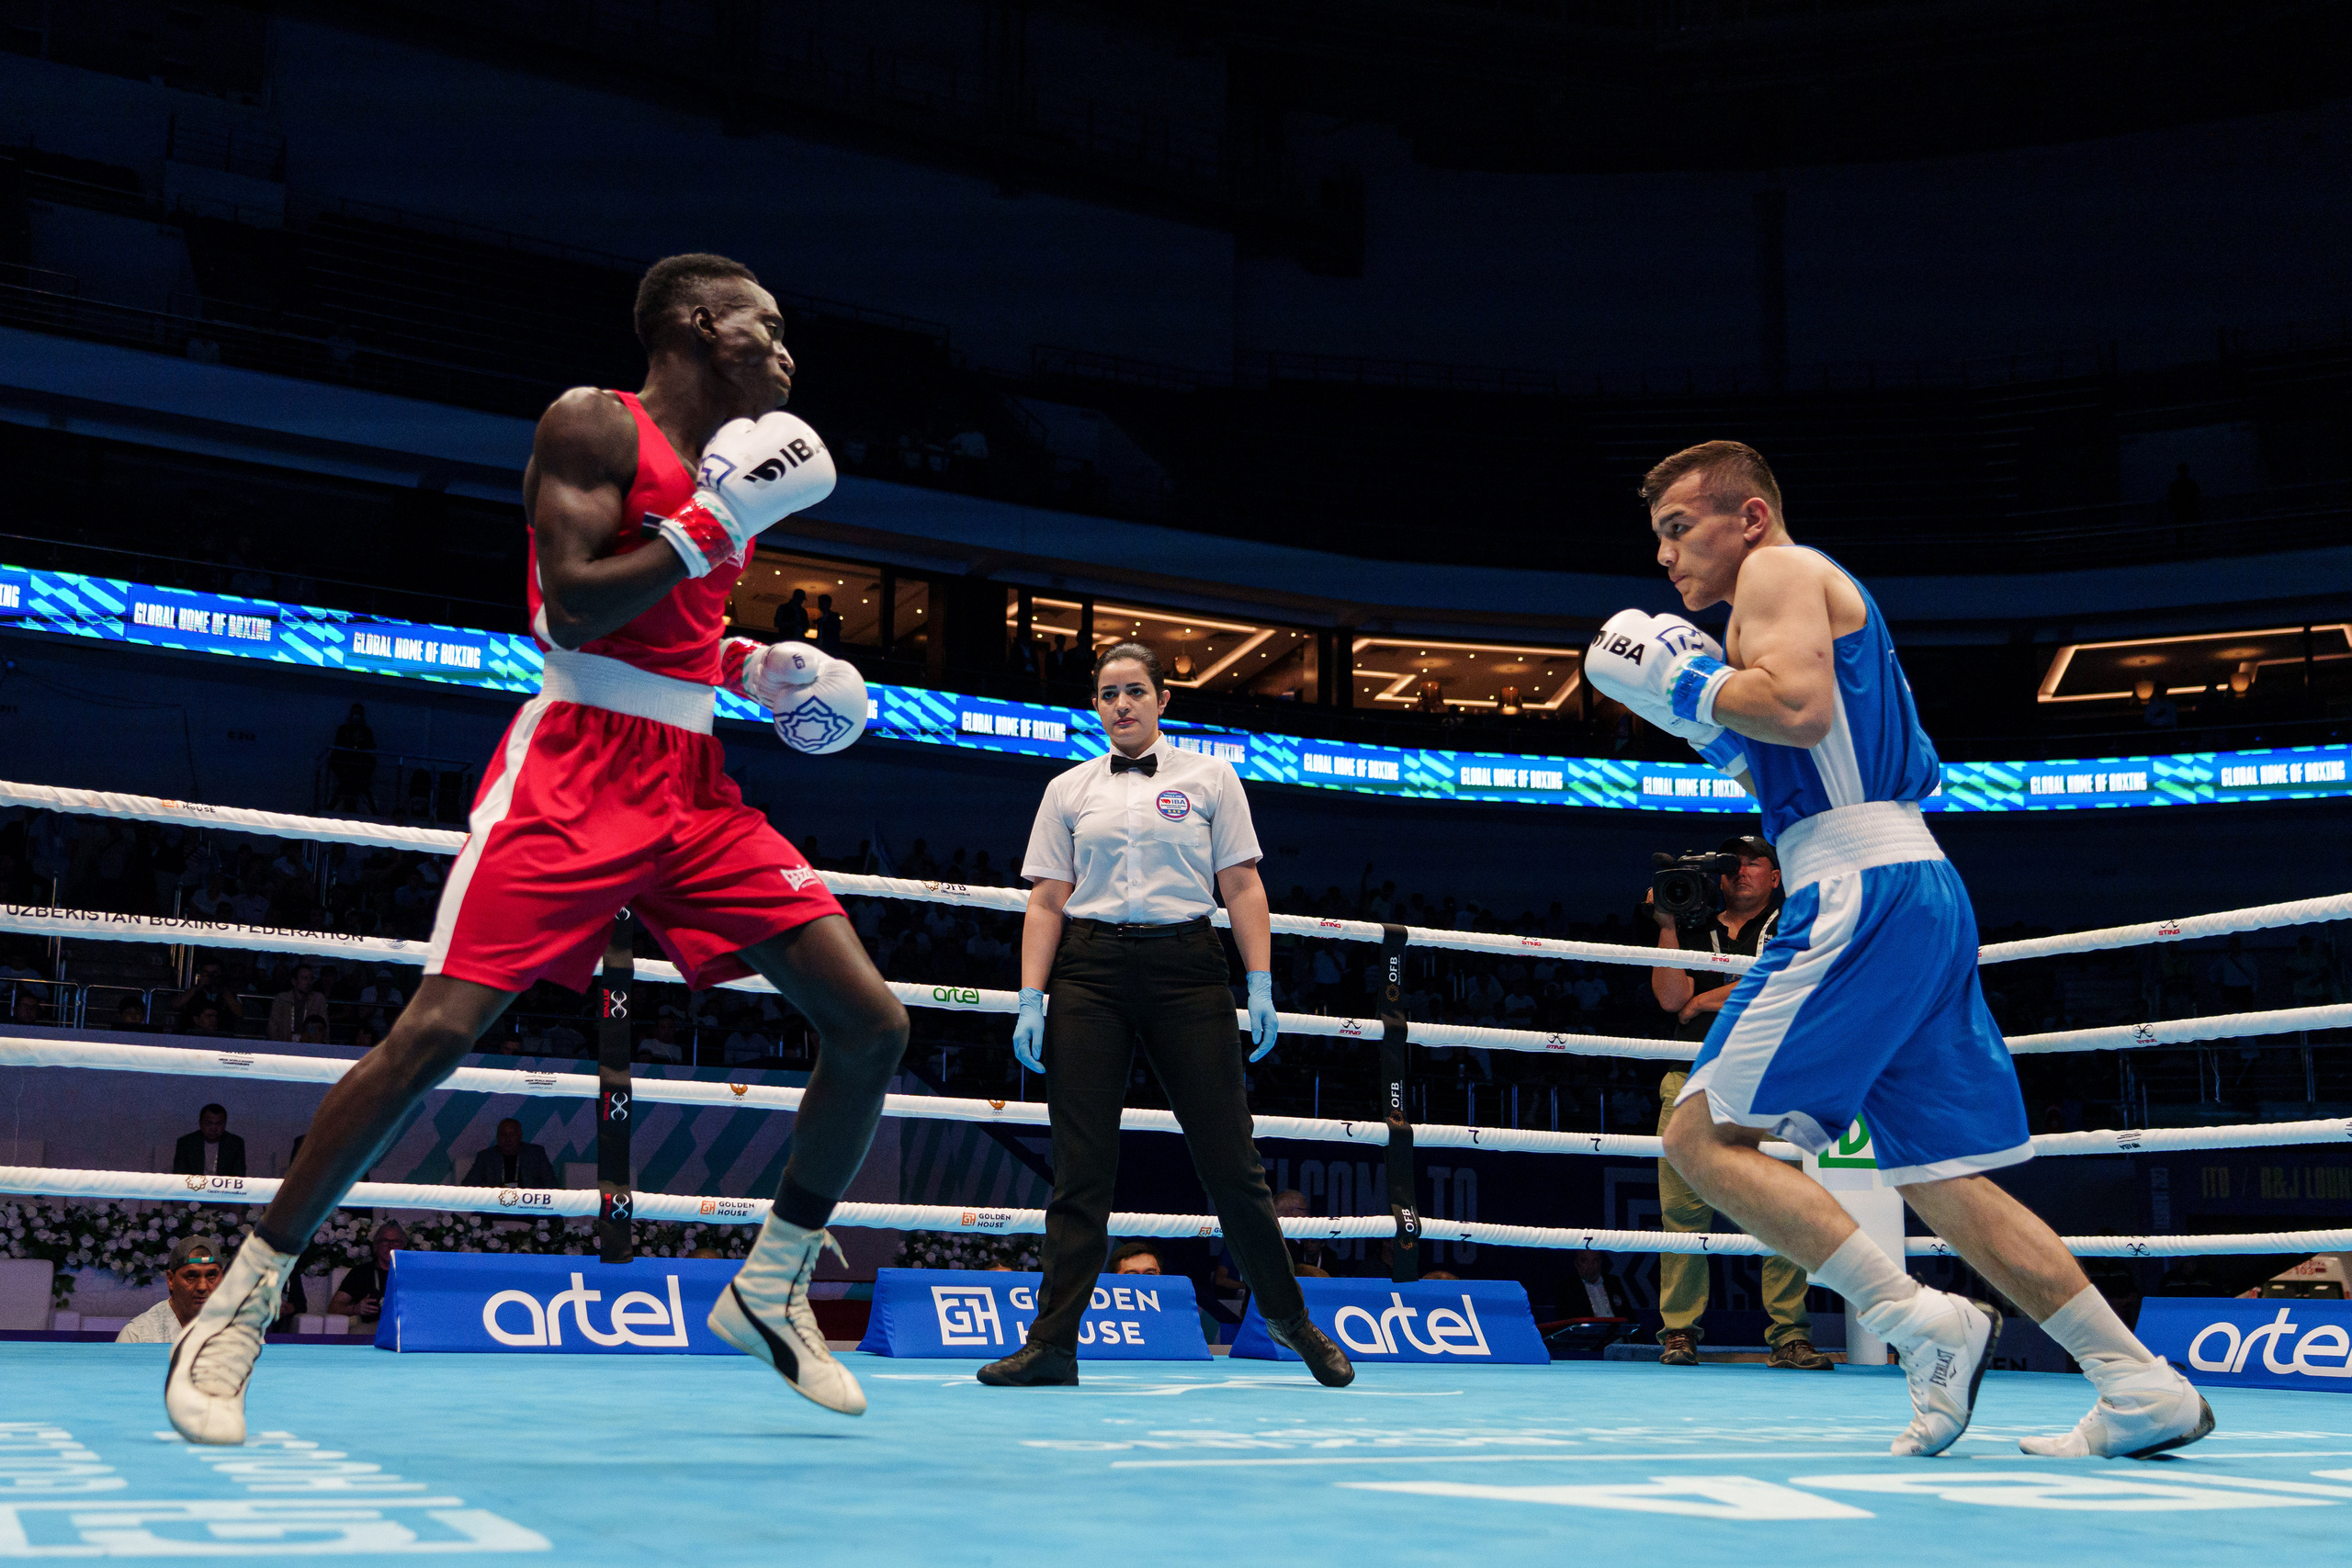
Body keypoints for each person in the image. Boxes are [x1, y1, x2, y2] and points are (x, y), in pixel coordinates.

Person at [165, 253, 910, 1447]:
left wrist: (754, 669)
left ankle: (769, 1284)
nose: (786, 352)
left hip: (693, 781)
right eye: (766, 327)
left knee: (872, 1021)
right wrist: (717, 520)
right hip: (573, 767)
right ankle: (240, 1303)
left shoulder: (726, 479)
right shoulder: (591, 425)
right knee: (437, 1035)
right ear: (698, 323)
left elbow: (666, 633)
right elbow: (573, 605)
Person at [1588, 439, 2210, 1460]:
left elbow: (1795, 708)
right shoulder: (1806, 602)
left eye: (1678, 527)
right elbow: (1800, 739)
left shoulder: (1778, 571)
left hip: (1856, 888)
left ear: (1747, 518)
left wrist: (1690, 684)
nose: (1665, 556)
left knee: (1700, 1138)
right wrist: (1691, 703)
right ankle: (2136, 1381)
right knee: (1939, 1174)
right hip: (1912, 883)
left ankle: (1923, 1322)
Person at [978, 641, 1351, 1390]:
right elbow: (1047, 898)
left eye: (1135, 691)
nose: (1122, 704)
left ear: (1163, 699)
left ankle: (1287, 1317)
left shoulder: (1212, 776)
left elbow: (1242, 886)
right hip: (1090, 969)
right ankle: (1052, 1343)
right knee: (1081, 1167)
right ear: (1095, 704)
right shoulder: (1068, 788)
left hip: (1188, 969)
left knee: (1229, 1159)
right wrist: (1030, 996)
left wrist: (1261, 983)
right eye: (1109, 693)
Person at [1645, 836, 1831, 1372]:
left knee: (1781, 1209)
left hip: (1772, 1078)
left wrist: (1707, 997)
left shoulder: (1797, 923)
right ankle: (1679, 1334)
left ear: (1776, 877)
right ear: (1718, 876)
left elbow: (1779, 982)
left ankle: (1790, 1336)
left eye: (1755, 862)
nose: (1742, 870)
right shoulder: (1693, 924)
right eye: (1733, 863)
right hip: (1693, 1078)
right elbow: (1670, 999)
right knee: (1683, 1216)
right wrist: (1666, 921)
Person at [117, 1236, 224, 1344]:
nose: (202, 1287)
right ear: (171, 1279)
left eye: (211, 1275)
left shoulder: (236, 1329)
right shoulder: (138, 1335)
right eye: (191, 1276)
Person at [326, 1221, 404, 1333]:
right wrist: (356, 1308)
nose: (390, 1246)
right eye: (385, 1241)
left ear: (403, 1246)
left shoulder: (413, 1273)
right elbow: (333, 1308)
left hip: (407, 1327)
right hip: (374, 1328)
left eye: (396, 1241)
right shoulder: (361, 1272)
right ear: (376, 1246)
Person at [460, 1118, 557, 1188]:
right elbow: (467, 1185)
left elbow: (552, 1184)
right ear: (497, 1137)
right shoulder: (486, 1157)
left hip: (527, 1207)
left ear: (520, 1136)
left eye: (512, 1134)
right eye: (503, 1135)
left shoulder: (536, 1153)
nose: (507, 1139)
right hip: (496, 1207)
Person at [172, 1104, 246, 1178]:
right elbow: (179, 1175)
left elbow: (239, 1176)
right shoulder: (186, 1143)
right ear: (200, 1123)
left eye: (218, 1124)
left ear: (224, 1124)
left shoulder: (235, 1143)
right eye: (209, 1123)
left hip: (223, 1188)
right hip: (194, 1187)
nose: (213, 1128)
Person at [329, 703, 379, 813]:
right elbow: (338, 745)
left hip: (361, 767)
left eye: (359, 714)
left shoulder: (367, 731)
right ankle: (373, 810)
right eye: (355, 713)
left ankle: (374, 810)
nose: (356, 716)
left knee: (354, 783)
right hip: (345, 766)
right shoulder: (343, 729)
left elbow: (370, 748)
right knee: (346, 783)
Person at [267, 964, 331, 1043]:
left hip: (310, 1048)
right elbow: (272, 1028)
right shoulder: (281, 999)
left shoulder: (318, 999)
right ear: (294, 981)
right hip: (284, 1046)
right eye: (305, 978)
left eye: (311, 979)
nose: (309, 982)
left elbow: (324, 1029)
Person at [1567, 1249, 1634, 1320]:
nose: (1590, 1265)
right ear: (1577, 1264)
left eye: (1595, 1261)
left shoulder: (1613, 1282)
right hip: (1589, 1330)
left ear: (1600, 1262)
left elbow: (1629, 1314)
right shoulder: (1569, 1287)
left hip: (1617, 1328)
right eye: (1584, 1261)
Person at [814, 592, 843, 656]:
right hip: (822, 646)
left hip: (829, 648)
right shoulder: (822, 618)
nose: (820, 605)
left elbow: (834, 629)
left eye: (822, 603)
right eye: (819, 603)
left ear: (828, 604)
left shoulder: (834, 616)